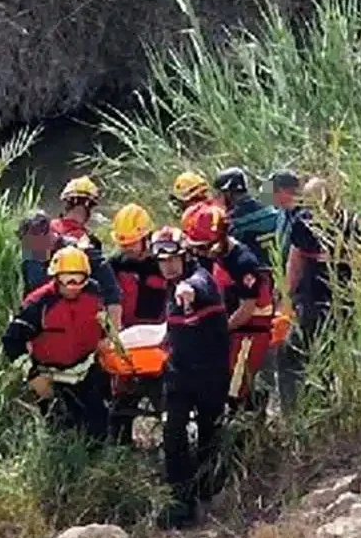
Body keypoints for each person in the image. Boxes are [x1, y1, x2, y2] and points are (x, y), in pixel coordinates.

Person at [151, 226, 230, 529]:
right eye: (162, 261)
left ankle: (209, 490)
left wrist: (189, 290)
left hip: (209, 374)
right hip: (180, 373)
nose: (168, 266)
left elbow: (197, 288)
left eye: (174, 259)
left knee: (210, 434)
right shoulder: (172, 284)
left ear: (186, 256)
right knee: (173, 434)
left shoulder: (199, 280)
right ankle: (180, 502)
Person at [1, 246, 110, 441]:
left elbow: (100, 319)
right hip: (51, 379)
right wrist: (34, 377)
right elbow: (11, 341)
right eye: (67, 280)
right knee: (59, 436)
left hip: (85, 373)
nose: (73, 286)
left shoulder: (93, 292)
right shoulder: (39, 304)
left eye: (79, 280)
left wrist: (105, 337)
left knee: (99, 432)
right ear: (56, 277)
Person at [278, 176, 361, 411]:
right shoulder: (340, 222)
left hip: (326, 299)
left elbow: (295, 263)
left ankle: (306, 406)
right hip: (329, 299)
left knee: (304, 353)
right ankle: (319, 403)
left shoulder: (315, 223)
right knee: (320, 353)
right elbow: (295, 262)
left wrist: (286, 296)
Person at [182, 202, 274, 416]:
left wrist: (219, 329)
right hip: (232, 327)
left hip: (250, 331)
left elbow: (247, 307)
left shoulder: (243, 262)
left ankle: (243, 432)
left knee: (234, 389)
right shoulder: (216, 255)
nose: (200, 253)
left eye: (204, 247)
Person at [106, 203, 168, 445]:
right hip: (128, 342)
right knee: (121, 400)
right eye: (123, 244)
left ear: (145, 237)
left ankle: (177, 446)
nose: (127, 249)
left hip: (160, 341)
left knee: (167, 399)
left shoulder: (165, 262)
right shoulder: (115, 264)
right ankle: (119, 448)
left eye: (132, 243)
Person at [18, 209, 122, 322]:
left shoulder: (82, 251)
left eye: (36, 244)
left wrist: (113, 331)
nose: (34, 250)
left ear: (49, 234)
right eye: (29, 245)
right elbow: (30, 291)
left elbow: (112, 293)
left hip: (81, 317)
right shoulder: (31, 254)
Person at [212, 166, 282, 271]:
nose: (217, 198)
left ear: (228, 193)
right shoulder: (271, 208)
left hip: (255, 277)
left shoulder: (231, 225)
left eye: (219, 194)